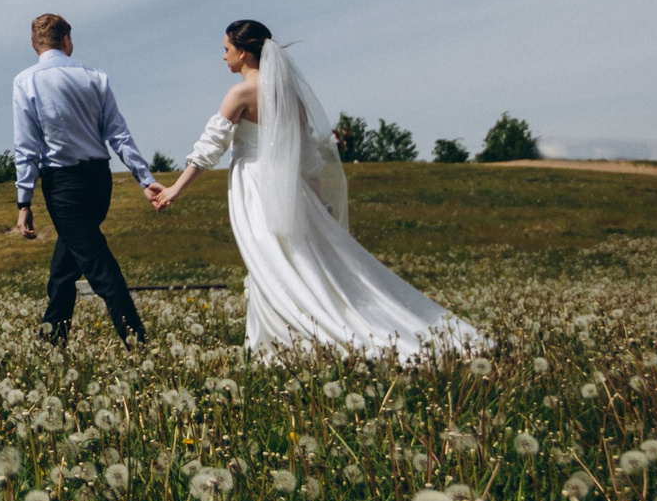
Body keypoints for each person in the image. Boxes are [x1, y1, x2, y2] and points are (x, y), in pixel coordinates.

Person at [153, 19, 486, 358]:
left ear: (242, 52)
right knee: (289, 257)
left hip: (254, 186)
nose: (223, 57)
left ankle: (284, 335)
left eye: (226, 50)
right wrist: (318, 201)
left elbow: (210, 148)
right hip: (288, 187)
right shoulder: (287, 94)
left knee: (268, 257)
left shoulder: (240, 93)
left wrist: (176, 189)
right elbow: (308, 155)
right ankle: (278, 331)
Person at [15, 13, 165, 346]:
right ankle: (52, 337)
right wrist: (145, 178)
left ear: (33, 44)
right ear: (67, 40)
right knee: (64, 269)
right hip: (100, 181)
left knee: (98, 264)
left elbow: (27, 147)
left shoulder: (26, 81)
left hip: (63, 185)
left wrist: (24, 201)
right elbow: (119, 134)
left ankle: (135, 338)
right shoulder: (95, 76)